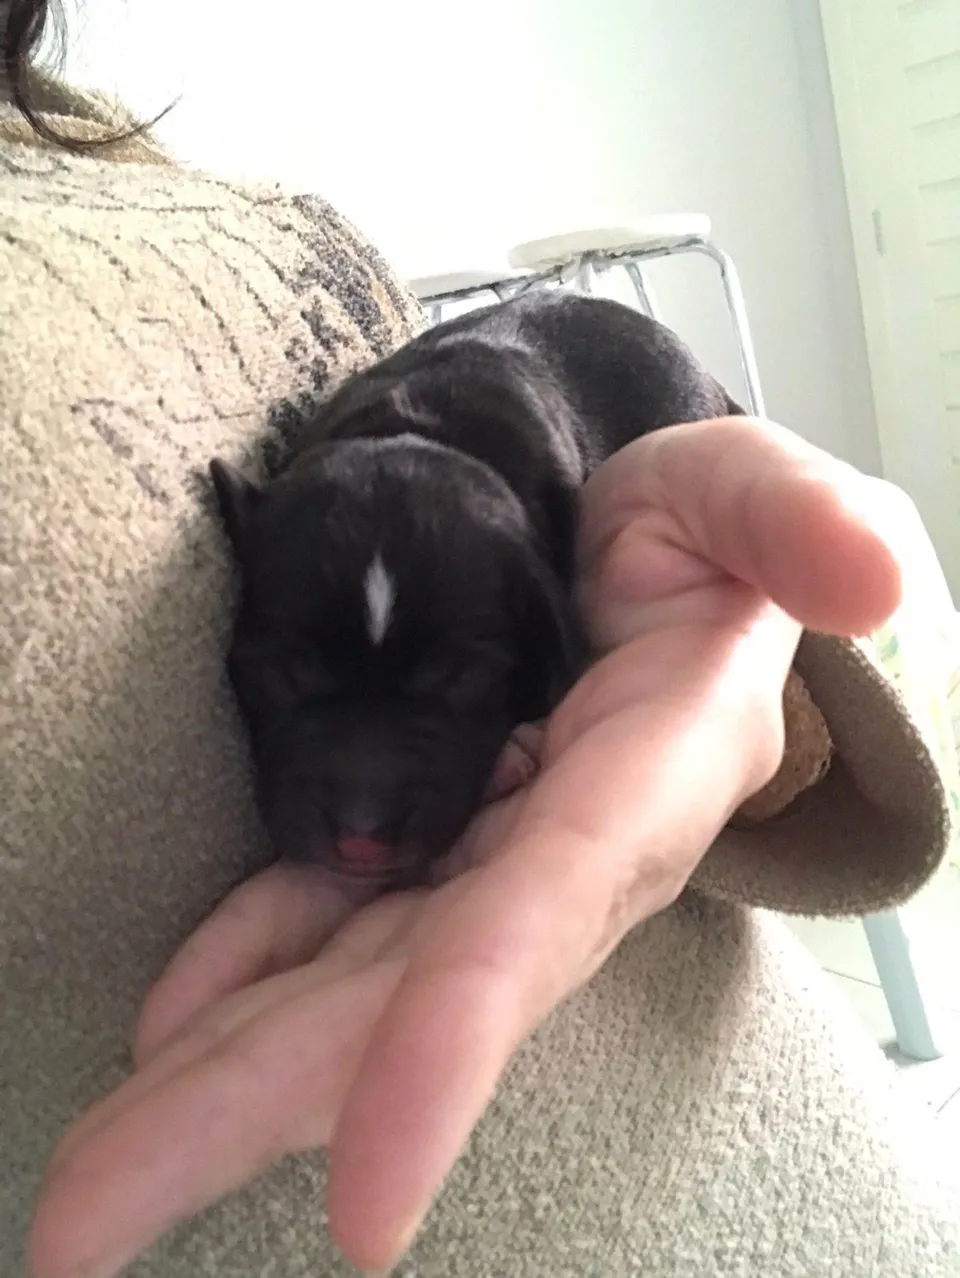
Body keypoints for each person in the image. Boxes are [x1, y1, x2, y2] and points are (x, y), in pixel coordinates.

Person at [3, 6, 959, 1276]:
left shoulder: (127, 153)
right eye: (291, 679)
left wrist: (749, 653)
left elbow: (676, 612)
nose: (360, 816)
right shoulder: (298, 501)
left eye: (453, 683)